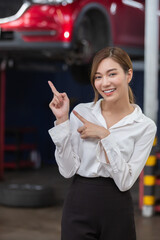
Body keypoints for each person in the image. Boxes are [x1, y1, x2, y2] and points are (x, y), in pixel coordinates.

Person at [48, 47, 157, 240]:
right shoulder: (81, 113)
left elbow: (125, 182)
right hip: (78, 204)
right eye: (98, 77)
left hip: (117, 208)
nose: (104, 83)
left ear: (128, 74)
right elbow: (67, 170)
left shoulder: (145, 126)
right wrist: (63, 120)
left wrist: (105, 136)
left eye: (112, 74)